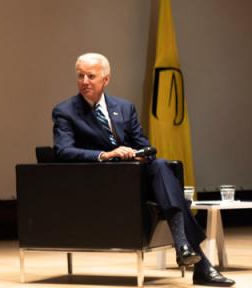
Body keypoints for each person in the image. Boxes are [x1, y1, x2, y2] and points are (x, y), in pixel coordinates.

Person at [53, 53, 234, 287]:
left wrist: (139, 154)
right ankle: (194, 257)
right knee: (168, 186)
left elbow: (146, 145)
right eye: (80, 76)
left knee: (157, 164)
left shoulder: (124, 108)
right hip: (101, 181)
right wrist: (105, 155)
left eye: (91, 76)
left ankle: (186, 249)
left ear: (106, 79)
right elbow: (63, 151)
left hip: (136, 176)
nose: (84, 81)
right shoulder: (65, 111)